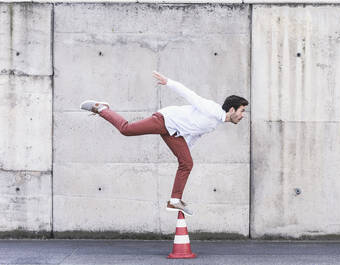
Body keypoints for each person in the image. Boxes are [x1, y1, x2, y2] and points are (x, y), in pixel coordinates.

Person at [80, 71, 248, 216]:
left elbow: (196, 135)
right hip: (165, 119)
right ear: (231, 110)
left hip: (173, 132)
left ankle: (175, 200)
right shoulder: (213, 109)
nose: (243, 115)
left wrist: (183, 152)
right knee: (126, 129)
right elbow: (191, 95)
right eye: (242, 111)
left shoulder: (215, 123)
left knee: (187, 162)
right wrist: (169, 82)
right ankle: (102, 108)